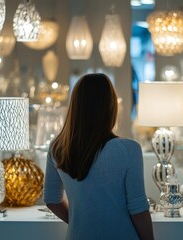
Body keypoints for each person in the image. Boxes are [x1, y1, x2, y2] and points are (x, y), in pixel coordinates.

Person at [44, 73, 154, 240]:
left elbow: (52, 200)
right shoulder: (128, 149)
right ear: (111, 107)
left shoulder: (58, 148)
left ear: (75, 106)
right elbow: (138, 209)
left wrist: (81, 223)